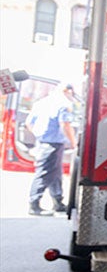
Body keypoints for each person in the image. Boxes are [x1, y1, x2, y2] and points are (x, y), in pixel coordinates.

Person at [26, 82, 77, 216]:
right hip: (53, 144)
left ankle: (58, 203)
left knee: (55, 174)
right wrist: (74, 143)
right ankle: (34, 204)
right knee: (44, 174)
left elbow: (28, 123)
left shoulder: (41, 103)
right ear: (68, 91)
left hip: (43, 142)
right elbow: (65, 125)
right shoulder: (63, 104)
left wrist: (39, 135)